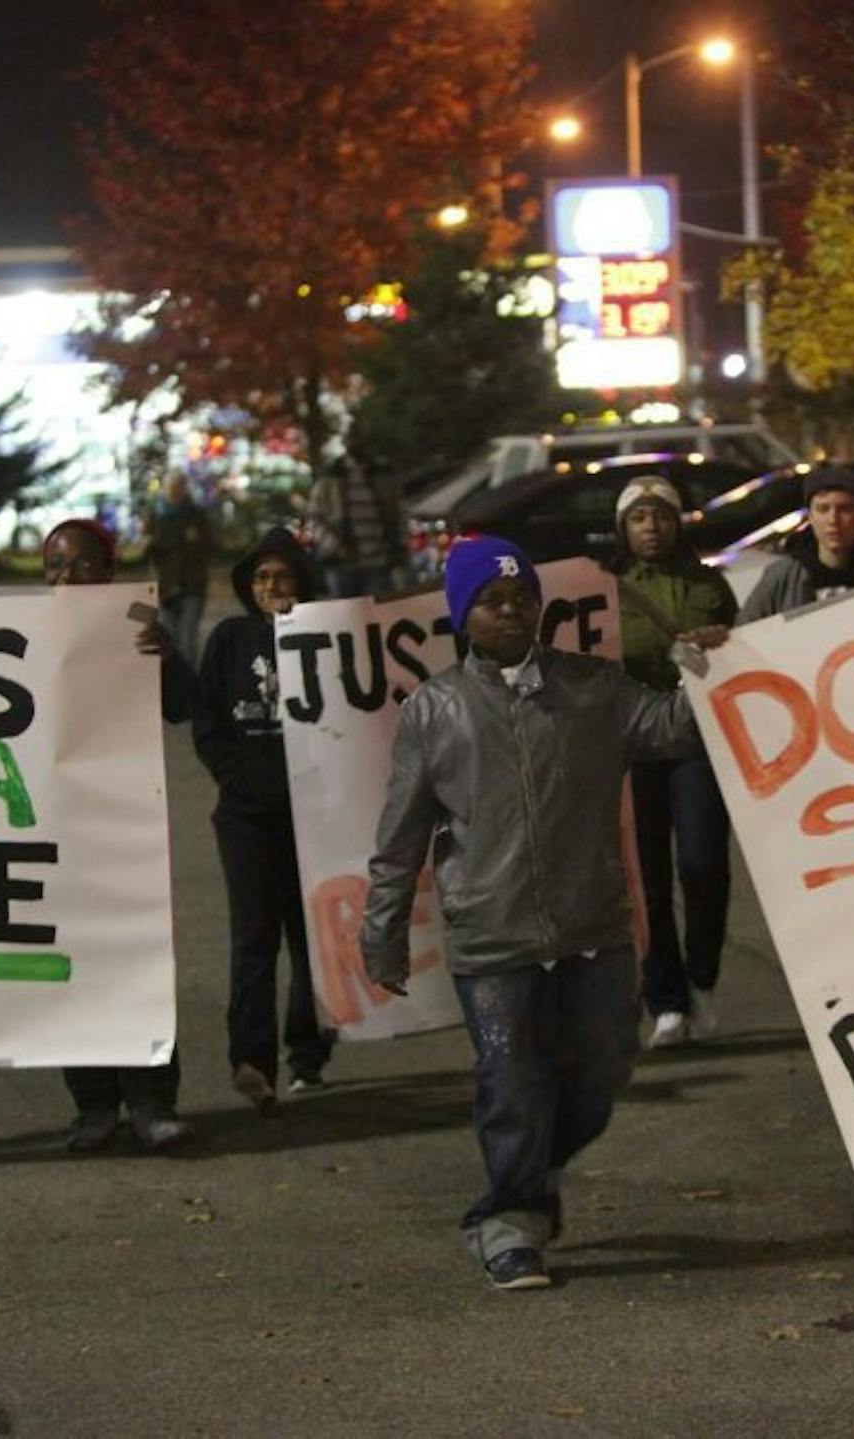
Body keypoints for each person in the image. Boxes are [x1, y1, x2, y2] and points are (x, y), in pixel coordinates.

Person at [360, 536, 726, 1290]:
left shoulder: (595, 687)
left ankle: (531, 1173)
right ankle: (510, 1221)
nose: (512, 610)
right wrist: (382, 931)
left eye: (523, 596)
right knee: (512, 1076)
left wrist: (707, 676)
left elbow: (673, 730)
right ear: (463, 616)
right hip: (492, 935)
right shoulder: (435, 710)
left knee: (600, 1073)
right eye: (492, 601)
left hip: (592, 924)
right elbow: (399, 836)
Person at [42, 517, 200, 1154]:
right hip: (53, 828)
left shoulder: (137, 617)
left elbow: (184, 704)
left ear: (107, 569)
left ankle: (152, 1101)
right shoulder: (21, 629)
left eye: (81, 564)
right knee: (70, 967)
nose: (67, 576)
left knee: (133, 960)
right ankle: (93, 1105)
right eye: (54, 564)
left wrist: (165, 658)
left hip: (123, 824)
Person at [193, 527, 334, 1108]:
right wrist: (240, 780)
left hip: (317, 816)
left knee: (310, 942)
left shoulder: (327, 636)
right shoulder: (230, 639)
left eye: (283, 576)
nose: (272, 587)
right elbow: (207, 723)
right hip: (248, 818)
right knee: (253, 939)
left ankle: (307, 1055)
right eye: (261, 577)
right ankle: (251, 1060)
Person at [607, 477, 739, 1049]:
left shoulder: (709, 584)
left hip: (696, 741)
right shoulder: (607, 591)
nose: (651, 528)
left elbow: (742, 651)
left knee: (703, 863)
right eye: (638, 518)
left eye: (660, 516)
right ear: (623, 528)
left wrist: (717, 643)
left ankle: (702, 975)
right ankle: (666, 999)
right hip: (632, 748)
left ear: (677, 521)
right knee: (648, 880)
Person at [736, 465, 854, 623]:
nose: (833, 520)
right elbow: (745, 631)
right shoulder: (782, 576)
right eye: (823, 509)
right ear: (810, 516)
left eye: (844, 509)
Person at [307, 450, 406, 598]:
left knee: (379, 615)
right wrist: (336, 546)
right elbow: (314, 520)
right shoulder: (331, 477)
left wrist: (397, 547)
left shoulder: (381, 475)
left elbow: (397, 514)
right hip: (341, 564)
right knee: (345, 617)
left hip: (378, 563)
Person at [143, 474, 215, 666]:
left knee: (187, 641)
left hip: (192, 585)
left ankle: (189, 685)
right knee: (167, 638)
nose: (174, 491)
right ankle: (172, 682)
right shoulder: (156, 515)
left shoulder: (196, 514)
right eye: (171, 487)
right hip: (165, 588)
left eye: (178, 487)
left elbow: (210, 546)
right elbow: (145, 548)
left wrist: (196, 540)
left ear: (184, 489)